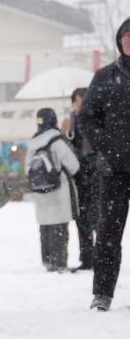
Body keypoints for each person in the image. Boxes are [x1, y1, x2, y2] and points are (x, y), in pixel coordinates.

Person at [78, 16, 130, 312]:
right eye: (128, 36)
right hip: (113, 170)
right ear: (120, 41)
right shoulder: (106, 76)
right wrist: (107, 149)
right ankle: (103, 293)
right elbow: (86, 118)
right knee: (108, 235)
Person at [25, 108, 80, 272]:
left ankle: (47, 260)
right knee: (59, 225)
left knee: (45, 225)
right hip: (59, 189)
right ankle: (59, 261)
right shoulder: (56, 141)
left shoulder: (33, 143)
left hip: (40, 189)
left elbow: (27, 168)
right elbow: (74, 166)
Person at [66, 88, 98, 272]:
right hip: (79, 173)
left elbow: (89, 145)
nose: (78, 104)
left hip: (92, 172)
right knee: (82, 217)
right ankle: (87, 258)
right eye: (77, 101)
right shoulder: (73, 117)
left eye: (80, 100)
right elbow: (74, 143)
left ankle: (101, 257)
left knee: (95, 217)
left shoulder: (94, 117)